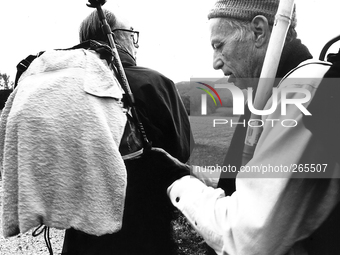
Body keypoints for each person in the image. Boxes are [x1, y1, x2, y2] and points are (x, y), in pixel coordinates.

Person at [144, 0, 340, 254]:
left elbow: (244, 238)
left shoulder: (301, 92)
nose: (215, 62)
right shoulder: (275, 93)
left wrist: (176, 181)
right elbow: (258, 185)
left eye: (219, 45)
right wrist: (193, 174)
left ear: (259, 32)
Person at [61, 9, 193, 255]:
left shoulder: (67, 89)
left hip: (82, 239)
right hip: (145, 233)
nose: (134, 42)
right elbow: (180, 151)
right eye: (131, 34)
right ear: (115, 37)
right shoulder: (155, 83)